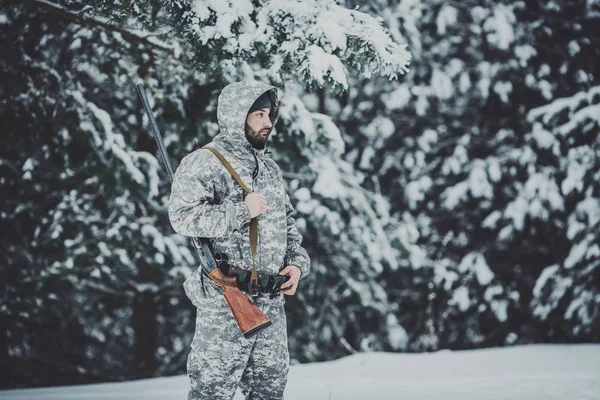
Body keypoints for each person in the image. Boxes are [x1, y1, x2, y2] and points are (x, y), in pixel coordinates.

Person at [168, 80, 311, 400]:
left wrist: (297, 265)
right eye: (258, 114)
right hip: (225, 301)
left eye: (270, 114)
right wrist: (240, 211)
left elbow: (287, 224)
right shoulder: (205, 162)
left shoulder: (271, 169)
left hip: (272, 304)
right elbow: (181, 218)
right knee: (212, 393)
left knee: (269, 392)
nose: (268, 122)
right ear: (236, 115)